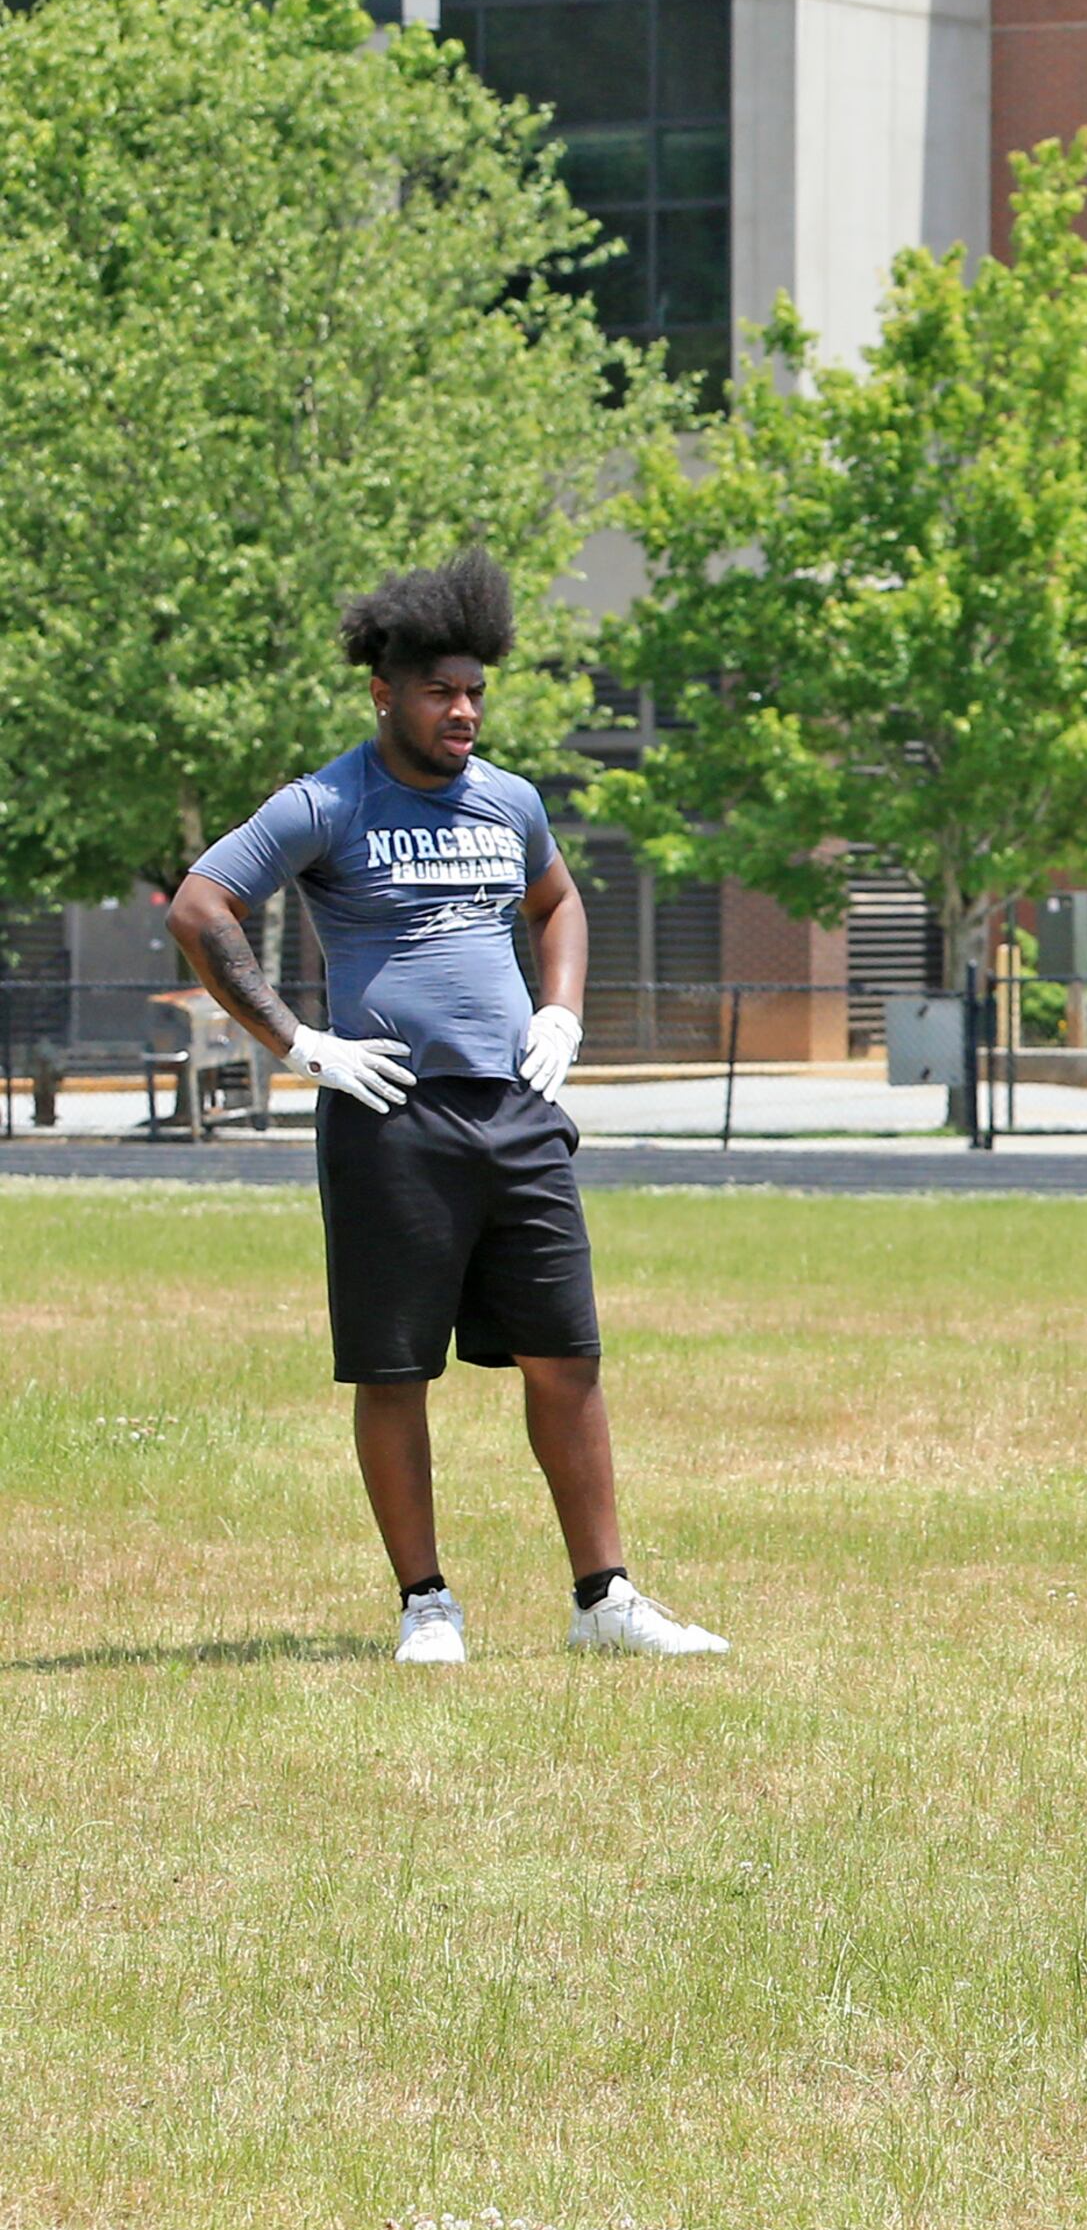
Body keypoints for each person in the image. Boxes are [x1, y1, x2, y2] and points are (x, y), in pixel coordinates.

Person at [164, 549, 728, 1666]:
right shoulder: (326, 799)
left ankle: (603, 1599)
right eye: (439, 690)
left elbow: (556, 898)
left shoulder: (512, 799)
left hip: (517, 1113)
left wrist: (561, 1012)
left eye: (474, 688)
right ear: (386, 693)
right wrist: (301, 1044)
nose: (462, 708)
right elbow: (200, 903)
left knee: (567, 1355)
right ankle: (427, 1602)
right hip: (391, 1114)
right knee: (394, 1367)